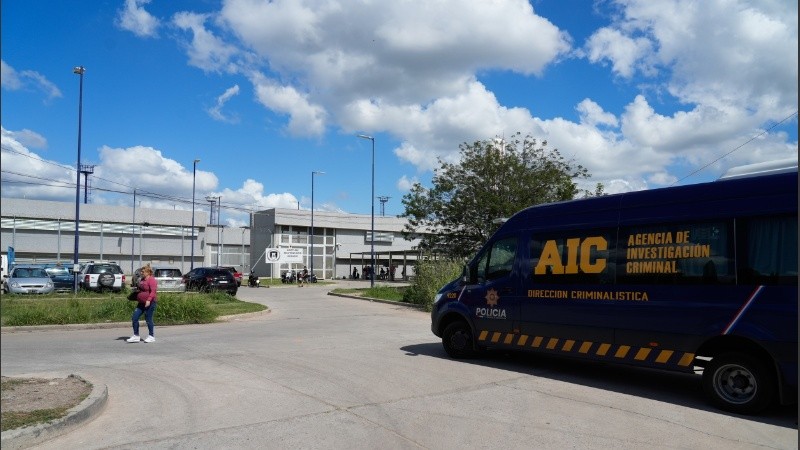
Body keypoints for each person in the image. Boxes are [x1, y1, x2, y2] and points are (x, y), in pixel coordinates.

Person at [127, 264, 157, 343]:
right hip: (141, 303)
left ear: (148, 272)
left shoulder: (152, 280)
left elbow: (153, 291)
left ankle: (151, 336)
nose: (141, 273)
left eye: (143, 271)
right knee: (135, 318)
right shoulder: (142, 280)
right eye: (141, 271)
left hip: (150, 303)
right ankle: (136, 336)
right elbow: (141, 289)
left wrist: (148, 300)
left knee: (148, 319)